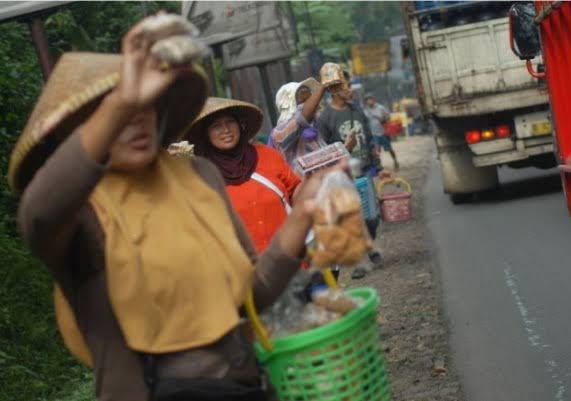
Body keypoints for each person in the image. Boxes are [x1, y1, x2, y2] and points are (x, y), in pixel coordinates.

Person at [11, 15, 332, 401]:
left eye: (147, 105)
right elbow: (37, 216)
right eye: (116, 114)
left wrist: (302, 216)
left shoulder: (198, 176)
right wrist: (123, 99)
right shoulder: (79, 209)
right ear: (78, 132)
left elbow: (252, 292)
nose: (137, 119)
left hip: (244, 385)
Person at [183, 97, 302, 253]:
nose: (225, 130)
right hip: (244, 270)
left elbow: (296, 191)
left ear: (240, 125)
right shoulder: (201, 174)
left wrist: (316, 183)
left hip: (291, 258)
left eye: (230, 122)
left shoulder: (268, 155)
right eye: (216, 126)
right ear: (206, 134)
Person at [316, 66, 383, 279]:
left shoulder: (356, 109)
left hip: (364, 170)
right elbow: (323, 151)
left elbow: (369, 137)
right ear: (333, 89)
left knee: (372, 217)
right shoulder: (325, 118)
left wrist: (377, 164)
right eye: (344, 84)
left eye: (348, 83)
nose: (349, 88)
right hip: (344, 178)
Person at [270, 78, 327, 174]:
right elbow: (301, 118)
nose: (311, 104)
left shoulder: (313, 127)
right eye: (303, 101)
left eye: (310, 98)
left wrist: (346, 148)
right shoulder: (280, 131)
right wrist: (323, 85)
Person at [364, 93, 399, 171]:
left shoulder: (381, 108)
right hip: (373, 134)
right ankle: (380, 167)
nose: (369, 101)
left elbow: (388, 117)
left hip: (383, 132)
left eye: (370, 99)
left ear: (374, 99)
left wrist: (383, 119)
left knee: (389, 149)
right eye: (367, 100)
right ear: (366, 102)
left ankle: (395, 161)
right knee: (376, 152)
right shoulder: (365, 111)